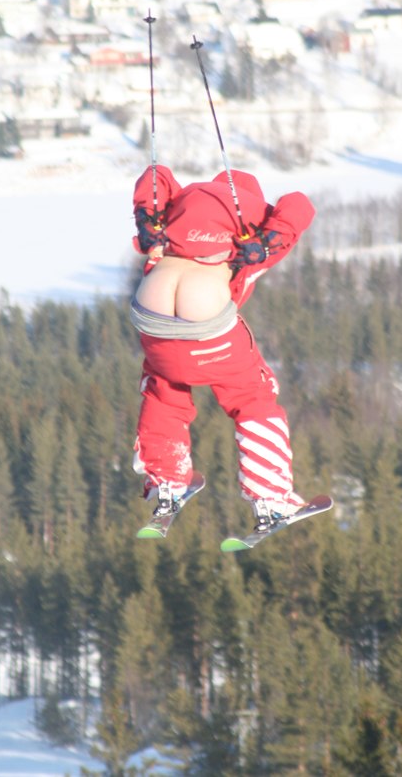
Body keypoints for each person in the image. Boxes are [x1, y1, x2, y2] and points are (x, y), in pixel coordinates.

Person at [129, 163, 315, 531]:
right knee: (253, 395)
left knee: (163, 390)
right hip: (207, 319)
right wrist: (267, 241)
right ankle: (271, 497)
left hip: (150, 314)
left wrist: (144, 215)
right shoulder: (254, 231)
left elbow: (156, 175)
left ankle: (166, 482)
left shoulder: (177, 207)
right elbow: (300, 205)